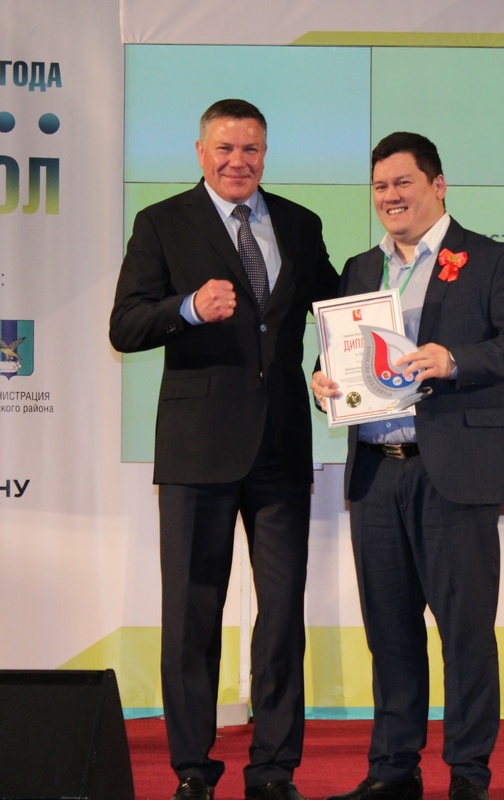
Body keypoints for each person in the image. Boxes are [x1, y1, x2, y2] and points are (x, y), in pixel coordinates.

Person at [109, 98, 338, 800]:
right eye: (226, 148)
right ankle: (192, 769)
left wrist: (339, 367)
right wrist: (186, 308)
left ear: (266, 153)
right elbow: (125, 325)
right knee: (191, 615)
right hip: (197, 448)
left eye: (252, 149)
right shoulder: (162, 222)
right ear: (201, 152)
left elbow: (336, 310)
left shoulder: (299, 223)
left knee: (282, 616)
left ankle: (274, 769)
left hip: (281, 446)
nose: (239, 161)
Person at [311, 132, 504, 800]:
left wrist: (455, 361)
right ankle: (393, 770)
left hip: (453, 473)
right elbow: (336, 355)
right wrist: (320, 380)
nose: (390, 196)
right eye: (380, 186)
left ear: (437, 186)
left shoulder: (491, 259)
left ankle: (468, 774)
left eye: (403, 183)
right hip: (375, 473)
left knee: (464, 633)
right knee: (388, 633)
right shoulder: (361, 268)